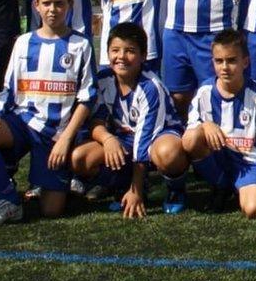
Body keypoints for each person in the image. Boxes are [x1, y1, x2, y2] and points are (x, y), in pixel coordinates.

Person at [0, 0, 97, 225]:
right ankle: (9, 201)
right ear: (35, 5)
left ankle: (59, 180)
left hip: (55, 132)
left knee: (51, 211)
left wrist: (66, 139)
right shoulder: (23, 42)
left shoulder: (80, 45)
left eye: (59, 3)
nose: (53, 9)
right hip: (23, 121)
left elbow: (87, 99)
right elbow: (8, 88)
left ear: (70, 5)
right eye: (47, 3)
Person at [72, 22, 189, 218]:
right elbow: (97, 121)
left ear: (143, 56)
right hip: (126, 140)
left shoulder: (151, 87)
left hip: (158, 138)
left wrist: (137, 192)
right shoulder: (103, 80)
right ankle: (122, 186)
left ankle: (175, 189)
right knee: (80, 159)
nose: (121, 57)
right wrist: (108, 139)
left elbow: (143, 142)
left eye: (130, 51)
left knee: (167, 153)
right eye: (115, 50)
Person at [181, 29, 256, 219]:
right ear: (213, 62)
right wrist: (205, 126)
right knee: (192, 138)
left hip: (247, 162)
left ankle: (246, 188)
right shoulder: (204, 92)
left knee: (255, 209)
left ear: (245, 61)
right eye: (219, 61)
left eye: (232, 60)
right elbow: (189, 136)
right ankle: (220, 185)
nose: (225, 67)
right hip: (217, 159)